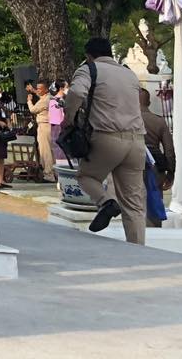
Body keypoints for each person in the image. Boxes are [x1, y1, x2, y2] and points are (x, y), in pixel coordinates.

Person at [64, 38, 146, 244]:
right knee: (134, 204)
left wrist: (69, 118)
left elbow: (76, 92)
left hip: (107, 137)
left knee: (86, 176)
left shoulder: (89, 69)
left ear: (88, 55)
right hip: (137, 141)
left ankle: (106, 202)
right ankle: (138, 249)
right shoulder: (129, 73)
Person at [139, 88, 175, 227]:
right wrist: (170, 173)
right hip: (155, 166)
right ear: (148, 102)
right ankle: (154, 231)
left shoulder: (126, 119)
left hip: (131, 164)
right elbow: (169, 150)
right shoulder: (159, 121)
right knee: (154, 198)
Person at [30, 80, 55, 181]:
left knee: (46, 151)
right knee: (49, 150)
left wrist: (29, 101)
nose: (38, 91)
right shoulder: (47, 97)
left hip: (44, 126)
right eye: (37, 88)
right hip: (47, 126)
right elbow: (40, 96)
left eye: (40, 89)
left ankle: (49, 174)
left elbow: (33, 109)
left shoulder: (45, 100)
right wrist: (33, 90)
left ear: (46, 89)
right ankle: (53, 173)